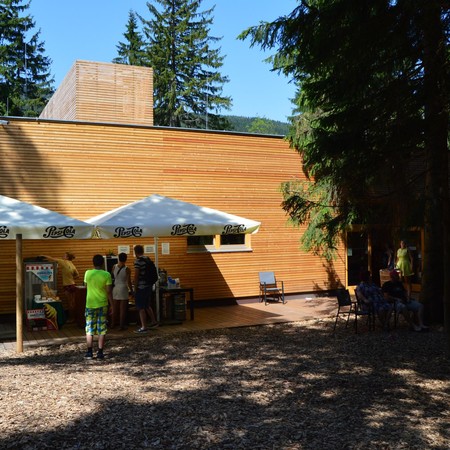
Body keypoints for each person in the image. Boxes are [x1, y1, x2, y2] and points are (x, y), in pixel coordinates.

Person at [83, 254, 113, 359]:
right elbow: (109, 291)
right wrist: (112, 305)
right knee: (102, 328)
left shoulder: (87, 273)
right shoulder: (107, 274)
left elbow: (86, 287)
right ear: (102, 263)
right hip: (103, 303)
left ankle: (89, 352)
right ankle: (100, 352)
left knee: (89, 328)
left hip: (90, 303)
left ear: (93, 262)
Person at [41, 252, 79, 323]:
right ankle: (75, 317)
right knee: (72, 303)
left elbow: (52, 259)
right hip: (73, 285)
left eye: (64, 255)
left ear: (67, 257)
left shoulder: (64, 262)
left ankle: (71, 318)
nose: (63, 256)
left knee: (70, 303)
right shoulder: (72, 264)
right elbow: (77, 275)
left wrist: (43, 255)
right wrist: (70, 278)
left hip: (67, 286)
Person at [133, 245, 158, 333]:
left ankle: (144, 327)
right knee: (147, 305)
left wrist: (135, 288)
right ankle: (154, 322)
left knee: (141, 307)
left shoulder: (138, 261)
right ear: (143, 251)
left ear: (135, 252)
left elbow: (136, 276)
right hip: (149, 286)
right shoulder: (147, 259)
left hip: (141, 287)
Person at [111, 252, 133, 330]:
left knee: (115, 308)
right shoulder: (127, 269)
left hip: (115, 288)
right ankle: (121, 326)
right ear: (126, 259)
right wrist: (132, 291)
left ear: (118, 258)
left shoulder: (114, 267)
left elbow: (112, 277)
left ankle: (113, 324)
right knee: (122, 309)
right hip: (123, 288)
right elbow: (129, 281)